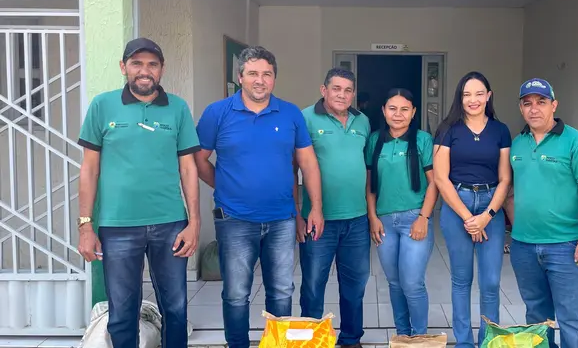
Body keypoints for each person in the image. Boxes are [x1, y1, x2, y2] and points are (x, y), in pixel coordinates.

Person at [194, 46, 324, 348]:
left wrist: (314, 207)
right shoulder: (217, 113)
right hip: (234, 220)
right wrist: (224, 186)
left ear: (274, 79)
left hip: (281, 219)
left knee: (281, 291)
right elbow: (199, 161)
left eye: (267, 74)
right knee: (237, 292)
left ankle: (276, 345)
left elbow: (308, 163)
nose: (260, 80)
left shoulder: (290, 113)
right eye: (253, 73)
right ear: (240, 77)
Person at [76, 38, 201, 348]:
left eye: (152, 64)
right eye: (137, 63)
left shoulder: (178, 108)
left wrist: (194, 222)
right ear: (124, 67)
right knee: (122, 311)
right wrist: (85, 225)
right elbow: (89, 170)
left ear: (161, 70)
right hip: (118, 226)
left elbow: (188, 168)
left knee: (175, 308)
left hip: (170, 223)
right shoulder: (102, 106)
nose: (145, 71)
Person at [506, 78, 578, 348]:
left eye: (541, 102)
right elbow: (510, 191)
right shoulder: (517, 144)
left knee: (572, 317)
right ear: (521, 108)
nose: (534, 109)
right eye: (527, 103)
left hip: (566, 246)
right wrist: (518, 228)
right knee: (536, 317)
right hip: (524, 247)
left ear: (554, 105)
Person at [432, 71, 512, 348]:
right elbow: (441, 179)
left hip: (491, 205)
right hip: (458, 205)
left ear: (488, 96)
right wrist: (469, 219)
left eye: (479, 93)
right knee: (461, 279)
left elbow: (505, 178)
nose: (473, 100)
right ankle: (464, 343)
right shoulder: (447, 129)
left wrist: (487, 216)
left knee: (490, 282)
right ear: (460, 97)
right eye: (467, 94)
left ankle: (490, 341)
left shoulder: (500, 130)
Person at [298, 68, 371, 348]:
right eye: (336, 88)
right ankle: (312, 340)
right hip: (319, 220)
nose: (342, 95)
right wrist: (297, 214)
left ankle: (351, 339)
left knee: (355, 286)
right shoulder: (306, 118)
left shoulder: (362, 121)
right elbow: (294, 168)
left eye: (348, 90)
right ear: (323, 89)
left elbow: (365, 168)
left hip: (357, 220)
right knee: (314, 286)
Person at [366, 88, 438, 336]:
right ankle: (402, 336)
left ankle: (419, 337)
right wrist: (373, 217)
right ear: (384, 111)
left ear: (413, 112)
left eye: (404, 109)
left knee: (412, 283)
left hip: (413, 219)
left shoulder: (423, 140)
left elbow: (434, 183)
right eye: (393, 108)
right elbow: (370, 184)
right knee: (395, 283)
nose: (398, 114)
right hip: (384, 221)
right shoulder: (375, 140)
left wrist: (424, 218)